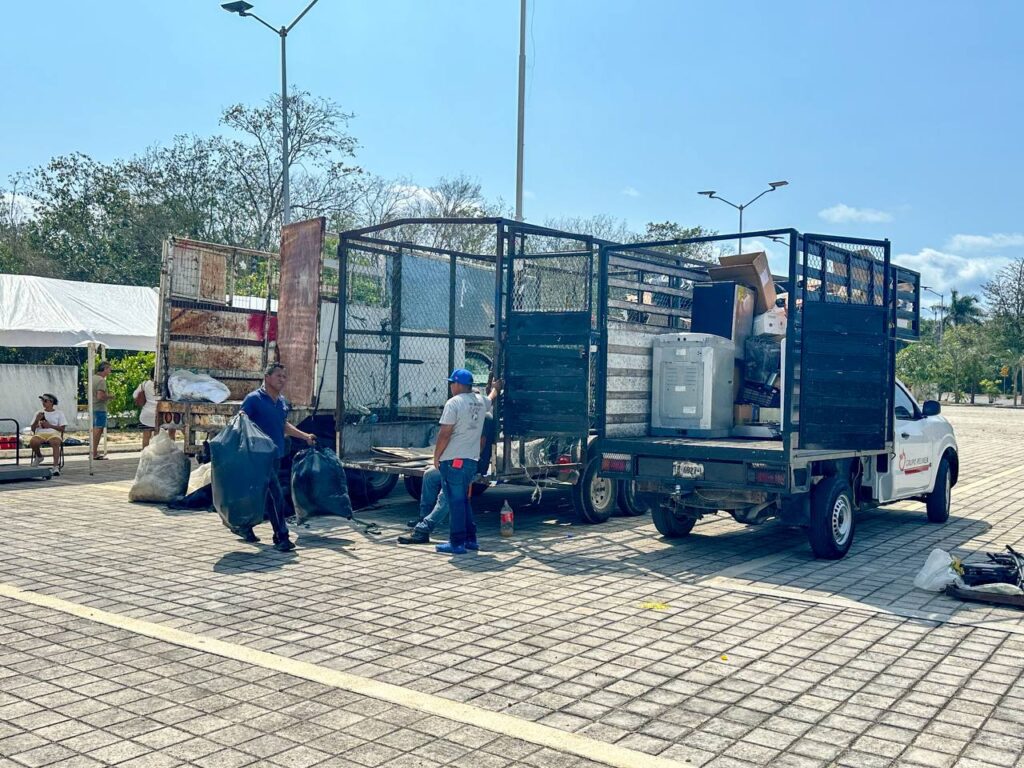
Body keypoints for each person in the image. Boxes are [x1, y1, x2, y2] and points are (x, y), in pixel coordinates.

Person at [238, 362, 316, 552]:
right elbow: (241, 421)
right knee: (275, 494)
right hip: (258, 457)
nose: (283, 379)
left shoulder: (281, 402)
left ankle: (244, 526)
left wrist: (305, 436)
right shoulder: (253, 399)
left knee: (259, 494)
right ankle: (281, 537)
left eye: (284, 376)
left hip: (275, 456)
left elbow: (283, 425)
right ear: (267, 377)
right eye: (279, 376)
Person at [398, 413, 494, 546]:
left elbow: (480, 445)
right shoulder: (469, 413)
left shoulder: (482, 416)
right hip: (456, 460)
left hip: (469, 464)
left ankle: (423, 529)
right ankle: (424, 517)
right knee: (430, 476)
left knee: (447, 495)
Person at [433, 369, 500, 555]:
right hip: (471, 460)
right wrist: (496, 388)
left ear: (459, 384)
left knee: (456, 502)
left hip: (453, 459)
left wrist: (436, 456)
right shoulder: (479, 401)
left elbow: (445, 433)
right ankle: (471, 539)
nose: (451, 386)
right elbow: (491, 398)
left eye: (452, 383)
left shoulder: (454, 403)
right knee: (463, 501)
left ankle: (457, 542)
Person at [133, 368, 176, 448]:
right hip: (162, 414)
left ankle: (145, 454)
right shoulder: (165, 385)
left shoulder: (144, 384)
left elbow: (135, 395)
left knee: (146, 436)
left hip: (146, 414)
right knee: (163, 433)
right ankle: (165, 452)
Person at [29, 394, 67, 476]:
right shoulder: (39, 413)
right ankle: (39, 457)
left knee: (55, 442)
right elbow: (32, 429)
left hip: (54, 433)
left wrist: (50, 426)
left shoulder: (59, 413)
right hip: (40, 433)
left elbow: (62, 429)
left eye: (45, 401)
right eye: (42, 401)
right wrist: (36, 420)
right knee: (33, 441)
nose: (43, 403)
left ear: (51, 402)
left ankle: (55, 466)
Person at [91, 361, 112, 460]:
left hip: (93, 407)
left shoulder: (92, 378)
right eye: (109, 369)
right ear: (105, 369)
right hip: (99, 408)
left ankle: (93, 451)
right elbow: (100, 396)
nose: (110, 371)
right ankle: (94, 453)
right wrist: (110, 396)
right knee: (98, 430)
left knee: (95, 429)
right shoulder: (101, 381)